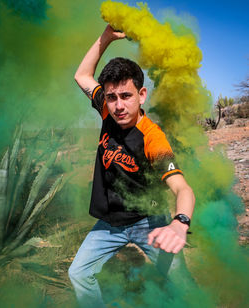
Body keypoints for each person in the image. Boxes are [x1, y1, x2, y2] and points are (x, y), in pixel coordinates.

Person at [68, 25, 195, 308]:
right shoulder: (107, 110)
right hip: (110, 223)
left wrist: (180, 222)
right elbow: (82, 76)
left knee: (182, 284)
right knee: (78, 273)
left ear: (142, 95)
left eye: (126, 96)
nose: (118, 106)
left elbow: (182, 188)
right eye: (112, 98)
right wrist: (107, 37)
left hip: (149, 222)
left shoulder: (153, 137)